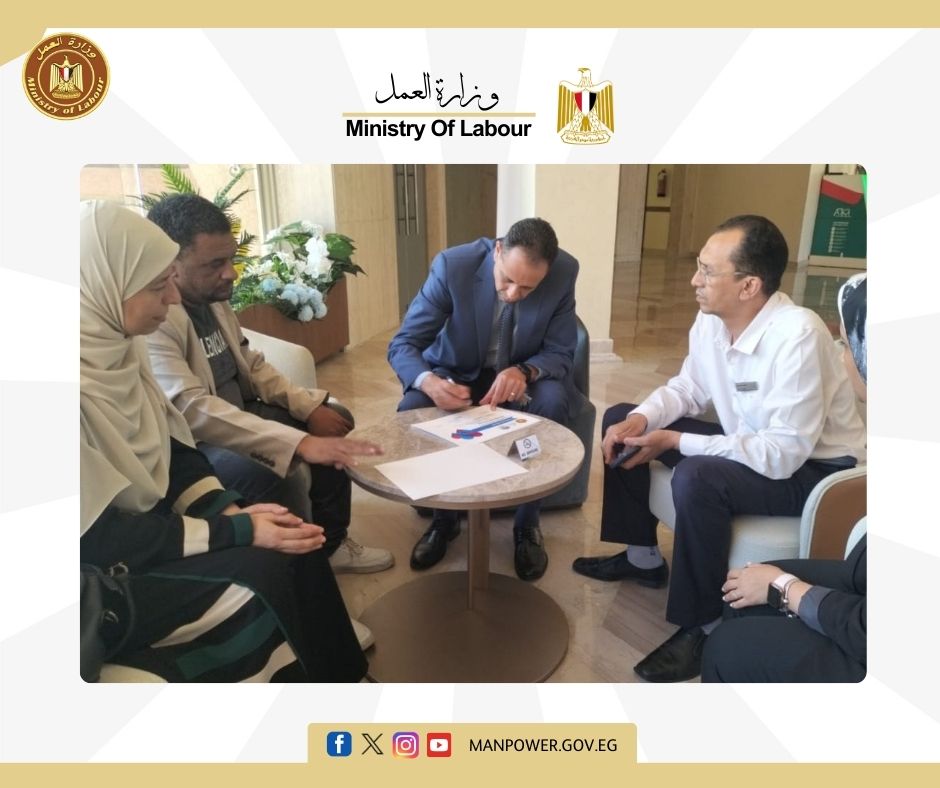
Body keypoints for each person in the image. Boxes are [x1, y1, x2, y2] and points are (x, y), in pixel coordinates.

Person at [80, 200, 366, 681]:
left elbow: (172, 448)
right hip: (104, 570)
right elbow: (103, 536)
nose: (172, 296)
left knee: (294, 540)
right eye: (157, 285)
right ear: (104, 286)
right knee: (263, 570)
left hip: (152, 526)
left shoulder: (118, 349)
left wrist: (227, 511)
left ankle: (343, 679)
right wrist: (236, 531)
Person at [572, 215, 866, 682]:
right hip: (756, 446)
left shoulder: (798, 336)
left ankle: (704, 623)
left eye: (708, 272)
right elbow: (689, 387)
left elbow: (782, 454)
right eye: (698, 266)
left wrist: (677, 441)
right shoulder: (712, 321)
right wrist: (644, 418)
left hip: (812, 469)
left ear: (749, 286)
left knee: (699, 475)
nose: (695, 280)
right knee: (621, 420)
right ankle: (642, 558)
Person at [145, 194, 392, 575]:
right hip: (199, 442)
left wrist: (308, 406)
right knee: (272, 473)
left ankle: (331, 544)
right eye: (215, 264)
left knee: (333, 418)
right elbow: (192, 409)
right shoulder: (157, 319)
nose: (231, 273)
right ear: (171, 265)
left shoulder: (213, 300)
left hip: (242, 410)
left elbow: (251, 363)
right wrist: (296, 443)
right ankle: (302, 573)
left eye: (230, 259)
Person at [388, 217, 578, 581]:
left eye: (527, 288)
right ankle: (444, 519)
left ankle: (527, 523)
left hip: (519, 373)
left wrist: (524, 371)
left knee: (553, 401)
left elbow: (561, 352)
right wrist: (429, 382)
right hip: (455, 372)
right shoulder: (453, 266)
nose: (513, 294)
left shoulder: (564, 272)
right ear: (497, 251)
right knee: (414, 407)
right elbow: (404, 343)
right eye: (507, 280)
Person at [701, 273, 868, 682]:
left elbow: (872, 630)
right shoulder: (709, 326)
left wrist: (785, 588)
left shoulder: (800, 334)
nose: (842, 359)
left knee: (727, 646)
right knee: (741, 592)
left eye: (848, 346)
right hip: (868, 575)